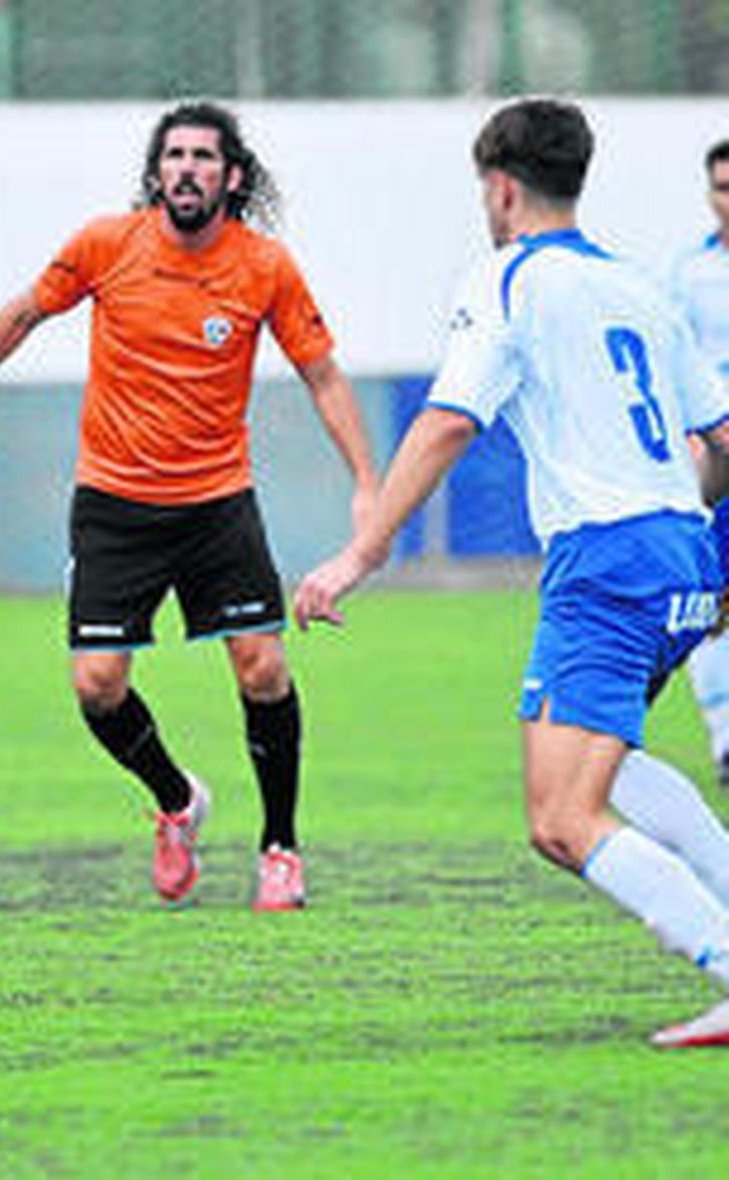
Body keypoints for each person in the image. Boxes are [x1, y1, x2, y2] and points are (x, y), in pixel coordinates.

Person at [295, 98, 729, 1050]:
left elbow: (450, 419)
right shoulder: (642, 287)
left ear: (499, 188)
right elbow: (722, 441)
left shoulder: (510, 279)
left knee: (561, 817)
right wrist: (686, 538)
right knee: (591, 751)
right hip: (680, 548)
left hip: (607, 561)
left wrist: (363, 551)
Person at [0, 100, 378, 910]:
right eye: (174, 156)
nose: (187, 169)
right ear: (156, 173)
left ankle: (280, 848)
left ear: (231, 177)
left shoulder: (264, 265)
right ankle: (175, 799)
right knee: (96, 684)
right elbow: (23, 314)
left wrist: (367, 479)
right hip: (114, 505)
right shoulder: (106, 244)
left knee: (263, 667)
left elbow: (323, 374)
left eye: (203, 157)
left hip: (217, 504)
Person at [673, 139, 729, 785]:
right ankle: (722, 736)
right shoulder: (688, 273)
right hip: (716, 452)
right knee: (705, 597)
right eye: (720, 187)